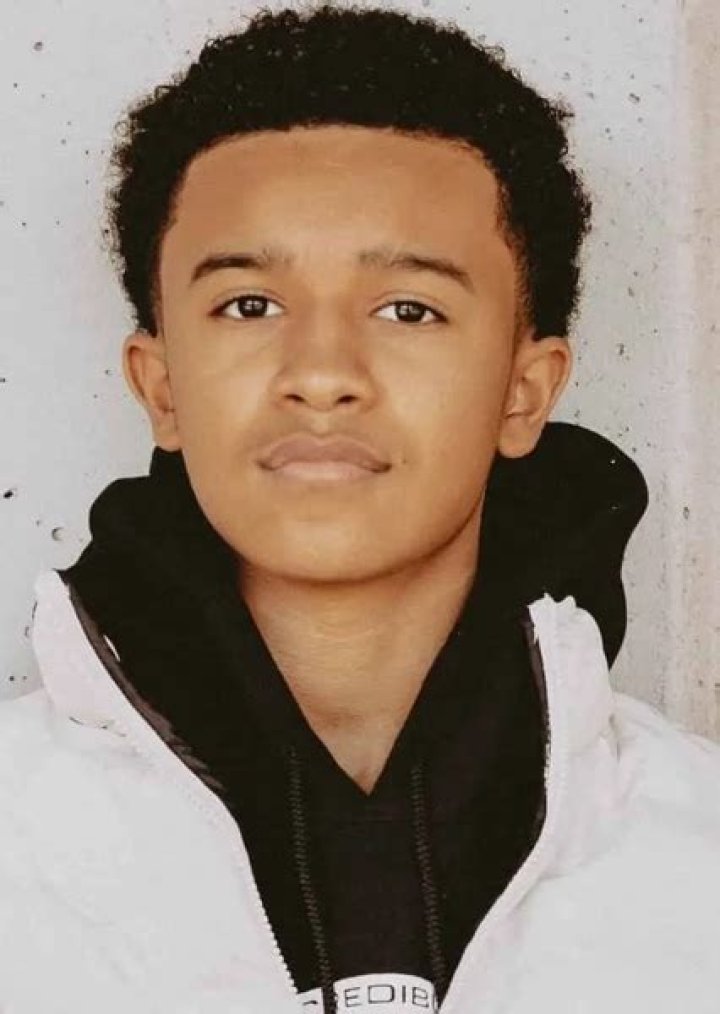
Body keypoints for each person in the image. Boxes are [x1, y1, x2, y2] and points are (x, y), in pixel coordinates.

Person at [2, 4, 719, 1012]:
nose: (322, 374)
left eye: (407, 309)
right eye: (249, 305)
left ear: (525, 392)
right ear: (161, 388)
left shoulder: (697, 866)